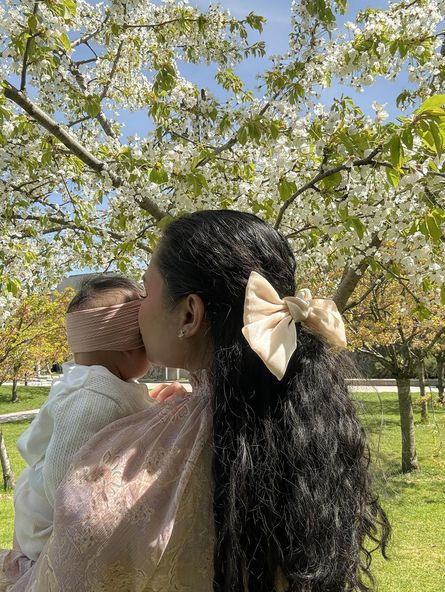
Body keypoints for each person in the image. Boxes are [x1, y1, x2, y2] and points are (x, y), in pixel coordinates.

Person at [5, 210, 390, 592]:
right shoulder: (288, 421)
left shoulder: (129, 453)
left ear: (189, 315)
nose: (135, 309)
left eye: (146, 290)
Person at [3, 275, 184, 582]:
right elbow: (62, 471)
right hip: (50, 526)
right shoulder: (93, 398)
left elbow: (125, 414)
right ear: (130, 347)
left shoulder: (102, 384)